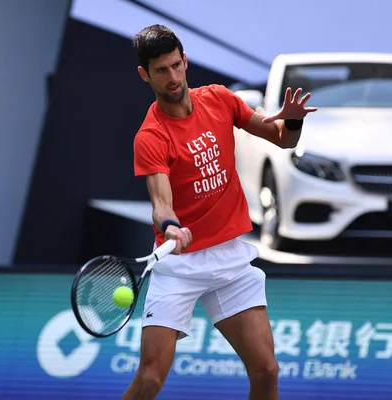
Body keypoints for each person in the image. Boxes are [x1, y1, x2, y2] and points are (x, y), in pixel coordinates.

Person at [123, 24, 317, 400]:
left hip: (229, 259)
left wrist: (292, 120)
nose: (173, 77)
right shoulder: (151, 136)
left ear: (186, 61)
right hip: (178, 264)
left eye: (177, 65)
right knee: (150, 380)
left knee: (266, 371)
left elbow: (281, 138)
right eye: (162, 70)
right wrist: (172, 227)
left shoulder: (219, 99)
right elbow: (160, 202)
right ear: (145, 74)